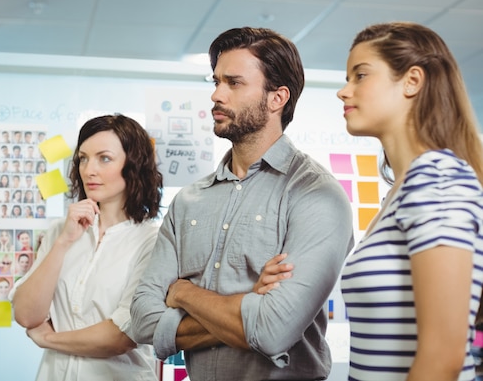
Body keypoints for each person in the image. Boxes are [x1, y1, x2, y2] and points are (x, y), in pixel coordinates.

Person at [130, 27, 354, 381]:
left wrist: (183, 292)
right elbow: (142, 322)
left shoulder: (316, 195)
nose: (216, 95)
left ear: (277, 98)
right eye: (216, 81)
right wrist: (250, 302)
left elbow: (273, 332)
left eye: (234, 83)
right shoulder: (189, 201)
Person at [337, 22, 483, 380]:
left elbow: (442, 358)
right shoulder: (401, 191)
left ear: (412, 81)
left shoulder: (437, 176)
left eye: (360, 75)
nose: (344, 91)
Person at [10, 114, 163, 381]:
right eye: (83, 158)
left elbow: (119, 337)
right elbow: (25, 314)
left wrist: (49, 339)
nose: (89, 170)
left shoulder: (152, 241)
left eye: (104, 158)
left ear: (133, 165)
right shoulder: (62, 229)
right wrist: (63, 242)